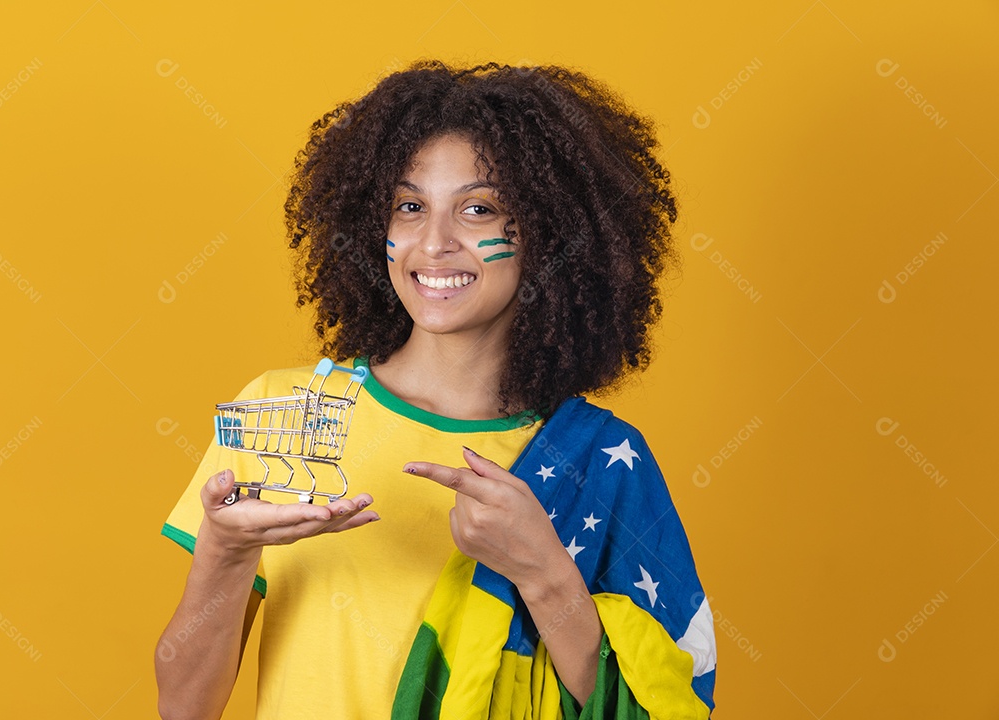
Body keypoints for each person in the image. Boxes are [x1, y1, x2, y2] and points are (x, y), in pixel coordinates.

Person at [155, 59, 716, 720]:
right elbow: (183, 708)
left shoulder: (601, 459)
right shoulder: (287, 415)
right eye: (411, 206)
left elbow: (660, 707)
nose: (435, 243)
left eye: (479, 209)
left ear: (551, 231)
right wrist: (226, 551)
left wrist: (544, 575)